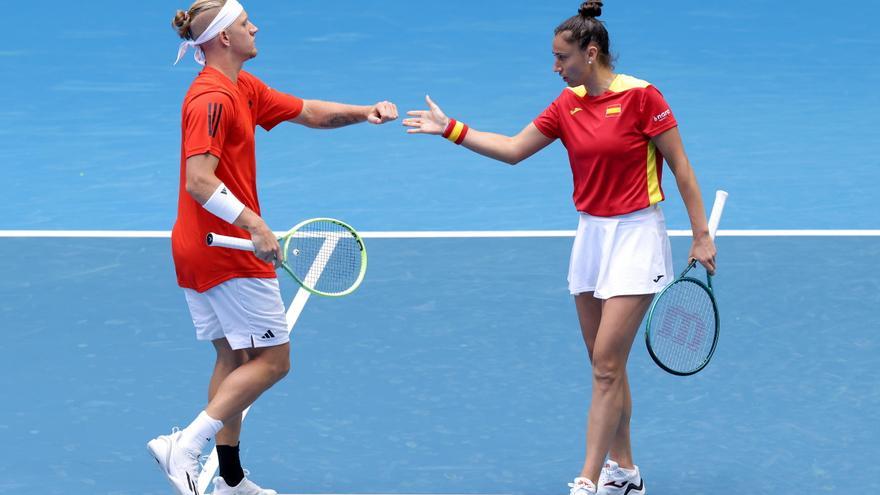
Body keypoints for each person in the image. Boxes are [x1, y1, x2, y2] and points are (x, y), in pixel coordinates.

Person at [403, 2, 716, 494]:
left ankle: (588, 480)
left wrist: (701, 234)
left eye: (561, 57)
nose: (555, 67)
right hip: (591, 236)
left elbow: (680, 166)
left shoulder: (642, 97)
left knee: (607, 367)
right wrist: (451, 130)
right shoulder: (567, 104)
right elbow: (512, 149)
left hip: (637, 235)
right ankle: (625, 470)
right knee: (603, 363)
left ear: (590, 54)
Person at [147, 1, 398, 494]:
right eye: (245, 24)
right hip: (228, 247)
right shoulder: (211, 100)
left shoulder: (242, 87)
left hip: (196, 246)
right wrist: (256, 226)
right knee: (274, 362)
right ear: (223, 38)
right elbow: (199, 180)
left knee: (235, 360)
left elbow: (307, 112)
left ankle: (231, 481)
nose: (254, 27)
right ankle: (185, 445)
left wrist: (363, 112)